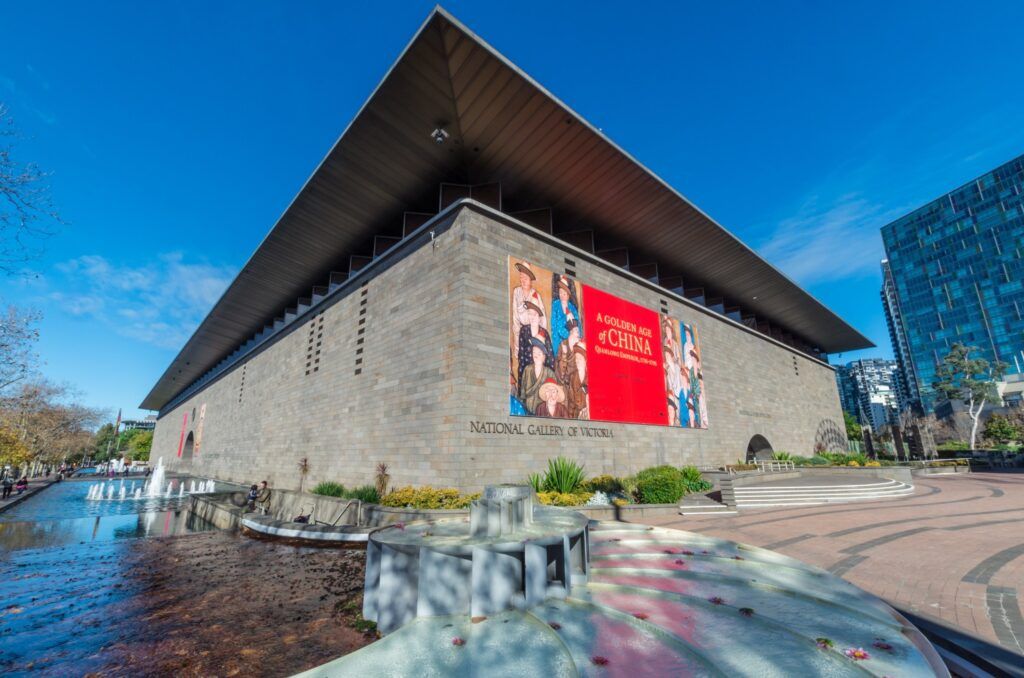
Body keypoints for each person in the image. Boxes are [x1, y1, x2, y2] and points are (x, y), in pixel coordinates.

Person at [515, 301, 554, 384]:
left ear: (539, 317)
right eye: (530, 314)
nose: (532, 317)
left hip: (541, 371)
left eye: (535, 314)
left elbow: (550, 356)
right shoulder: (524, 330)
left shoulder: (544, 332)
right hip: (527, 370)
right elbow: (521, 354)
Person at [518, 338, 557, 414]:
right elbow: (522, 393)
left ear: (544, 357)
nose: (536, 356)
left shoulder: (550, 373)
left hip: (543, 412)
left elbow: (554, 394)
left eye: (539, 353)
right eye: (534, 352)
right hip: (527, 410)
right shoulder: (527, 369)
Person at [511, 261, 546, 339]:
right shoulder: (517, 292)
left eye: (525, 278)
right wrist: (517, 335)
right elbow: (515, 316)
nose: (523, 281)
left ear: (530, 279)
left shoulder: (536, 295)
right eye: (521, 277)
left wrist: (541, 336)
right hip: (522, 332)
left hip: (536, 332)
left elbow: (542, 318)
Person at [550, 275, 582, 353]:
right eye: (560, 293)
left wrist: (577, 336)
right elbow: (554, 323)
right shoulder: (556, 305)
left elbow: (577, 323)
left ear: (568, 295)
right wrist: (565, 335)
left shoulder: (572, 307)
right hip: (558, 337)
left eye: (564, 294)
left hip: (572, 337)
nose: (562, 295)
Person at [565, 342, 588, 419]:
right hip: (577, 416)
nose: (577, 361)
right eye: (576, 358)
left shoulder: (590, 377)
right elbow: (571, 402)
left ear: (585, 360)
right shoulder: (572, 377)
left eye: (580, 358)